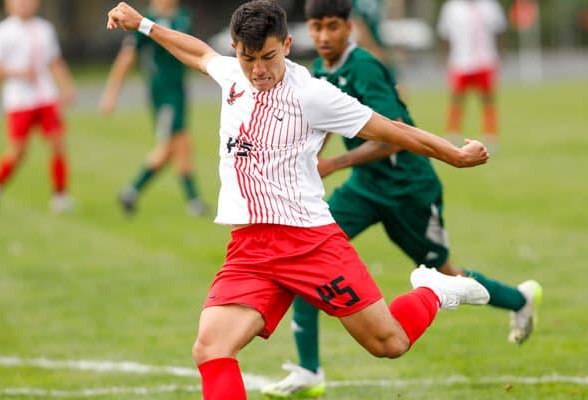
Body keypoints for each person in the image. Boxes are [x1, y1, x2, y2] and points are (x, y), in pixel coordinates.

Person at [107, 2, 491, 399]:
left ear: (287, 45)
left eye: (268, 57)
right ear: (236, 49)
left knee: (388, 344)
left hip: (310, 243)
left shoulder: (313, 95)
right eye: (247, 58)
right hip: (250, 249)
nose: (258, 70)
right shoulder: (232, 76)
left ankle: (435, 289)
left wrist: (456, 156)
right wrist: (144, 25)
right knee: (211, 347)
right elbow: (200, 53)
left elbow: (393, 130)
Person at [260, 1, 542, 397]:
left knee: (446, 274)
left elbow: (394, 133)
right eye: (317, 27)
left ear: (349, 26)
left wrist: (334, 162)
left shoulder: (365, 68)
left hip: (408, 188)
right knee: (307, 259)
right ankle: (309, 372)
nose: (324, 37)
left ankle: (519, 298)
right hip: (364, 188)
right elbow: (324, 120)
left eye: (332, 27)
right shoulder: (322, 71)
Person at [100, 0, 209, 217]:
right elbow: (126, 58)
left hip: (179, 92)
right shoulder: (142, 21)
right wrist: (111, 94)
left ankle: (189, 200)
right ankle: (134, 191)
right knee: (172, 145)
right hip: (163, 95)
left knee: (181, 144)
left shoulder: (183, 17)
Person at [0, 0, 76, 214]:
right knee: (18, 151)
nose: (24, 4)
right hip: (19, 100)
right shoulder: (2, 32)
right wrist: (17, 72)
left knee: (58, 143)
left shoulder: (45, 29)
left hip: (46, 97)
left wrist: (67, 86)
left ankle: (60, 196)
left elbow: (54, 61)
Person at [437, 0, 506, 146]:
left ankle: (490, 134)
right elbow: (444, 36)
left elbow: (499, 32)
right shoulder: (451, 7)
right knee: (457, 99)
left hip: (485, 60)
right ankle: (453, 133)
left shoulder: (490, 6)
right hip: (460, 61)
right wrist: (444, 58)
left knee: (487, 99)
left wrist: (500, 55)